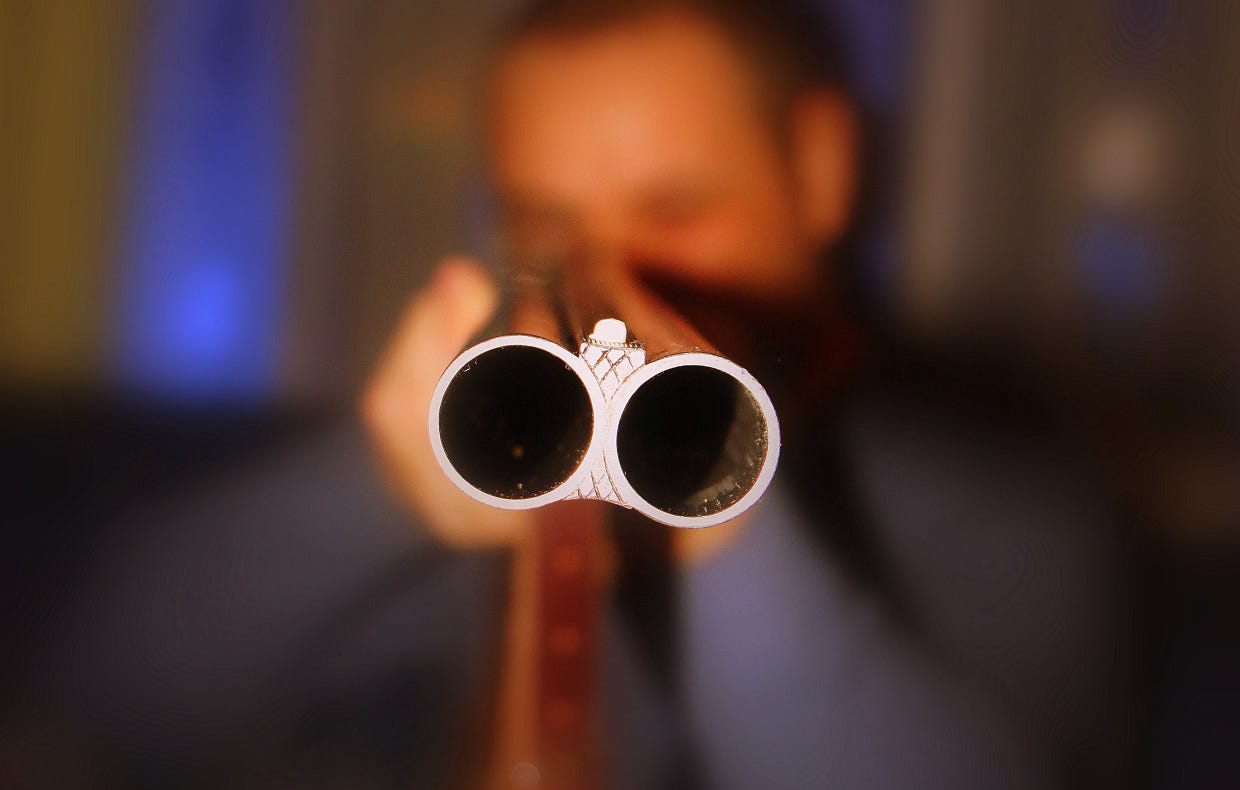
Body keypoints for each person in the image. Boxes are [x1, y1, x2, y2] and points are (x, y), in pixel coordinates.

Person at [39, 1, 1136, 788]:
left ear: (820, 168)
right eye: (547, 227)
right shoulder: (500, 456)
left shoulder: (1006, 497)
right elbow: (95, 692)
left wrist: (710, 484)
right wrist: (387, 480)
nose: (611, 279)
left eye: (675, 207)